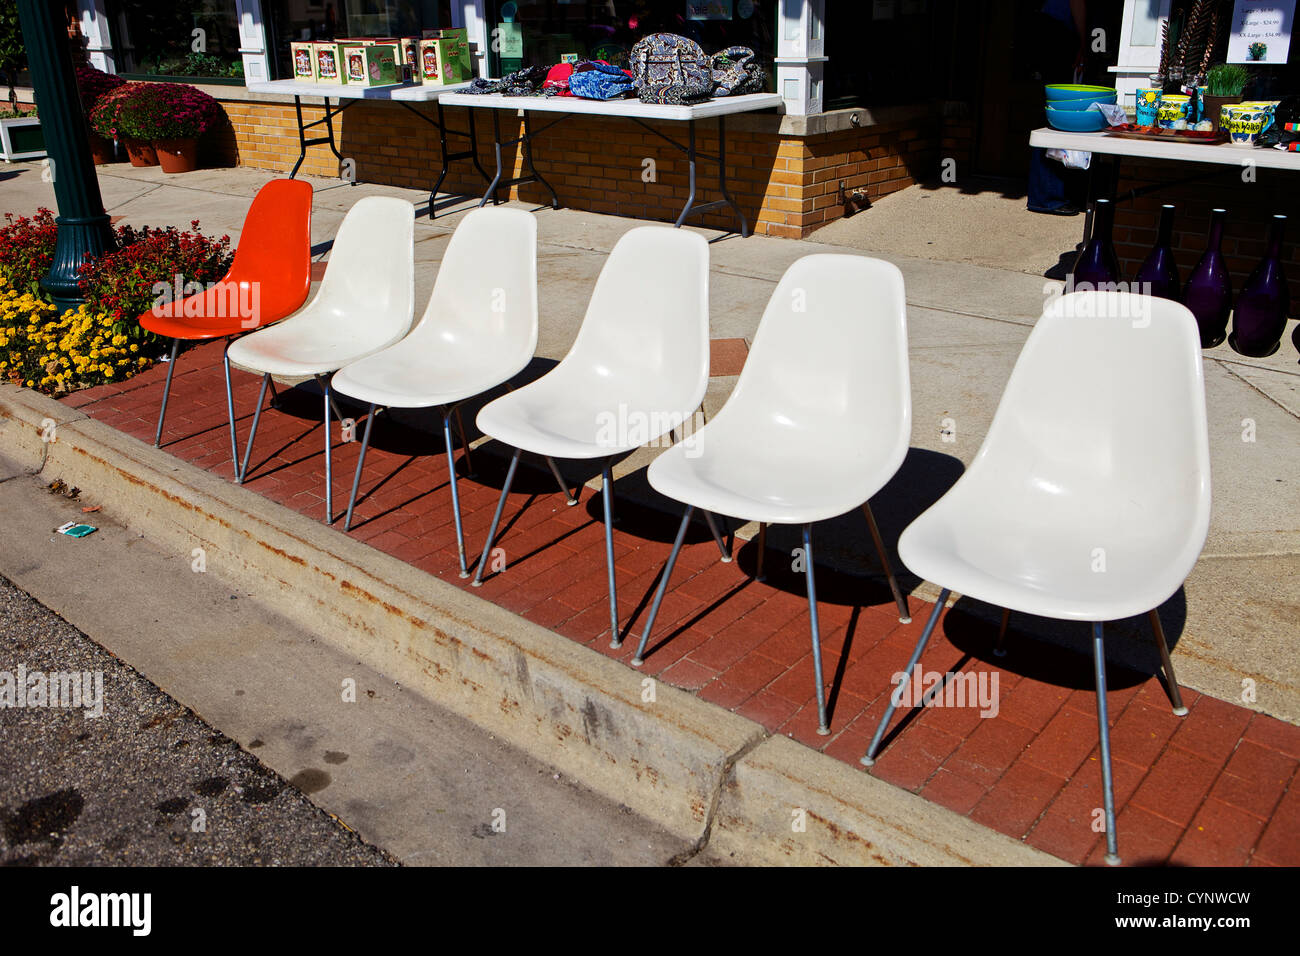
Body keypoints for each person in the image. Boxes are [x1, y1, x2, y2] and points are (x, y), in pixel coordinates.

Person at [1027, 0, 1088, 215]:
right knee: (1056, 116)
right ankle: (1048, 196)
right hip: (1058, 34)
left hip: (1052, 32)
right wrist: (1083, 42)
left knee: (1057, 114)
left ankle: (1053, 194)